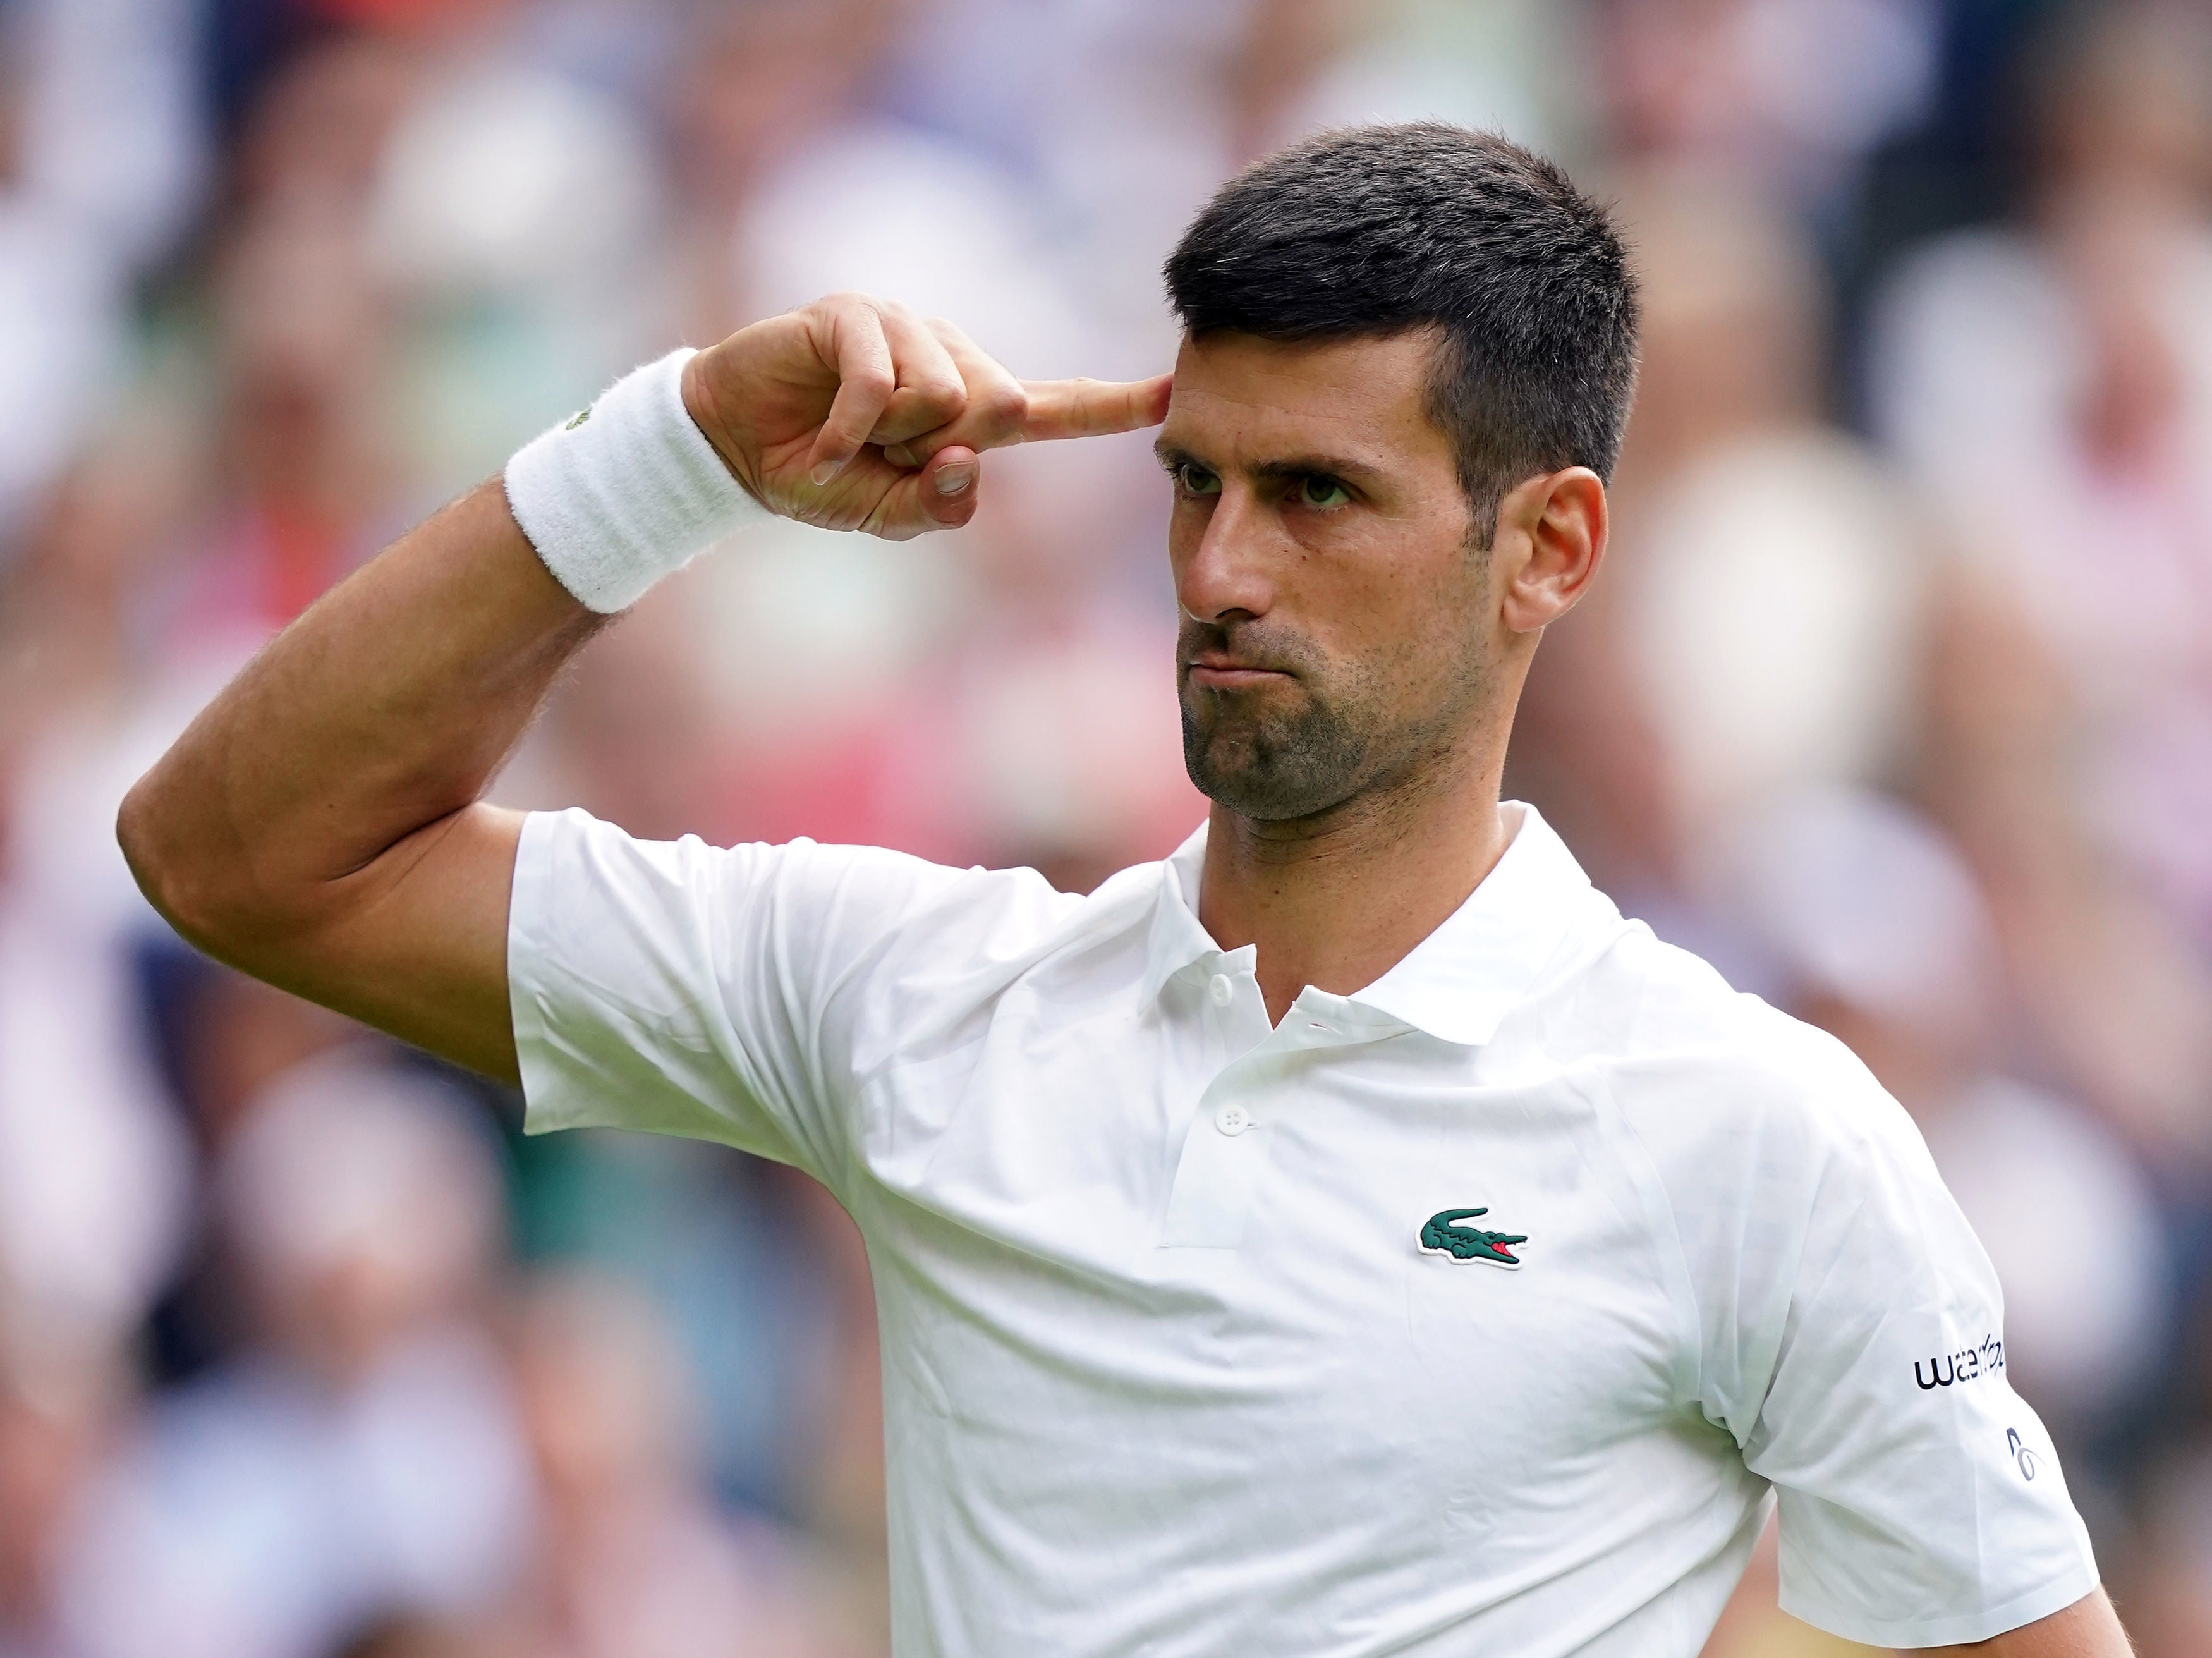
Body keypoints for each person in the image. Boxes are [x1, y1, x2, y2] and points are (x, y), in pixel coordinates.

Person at [117, 123, 2129, 1657]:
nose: (1223, 572)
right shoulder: (914, 990)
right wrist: (685, 453)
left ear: (1549, 547)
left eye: (1317, 495)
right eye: (1194, 481)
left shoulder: (1756, 1133)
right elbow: (234, 851)